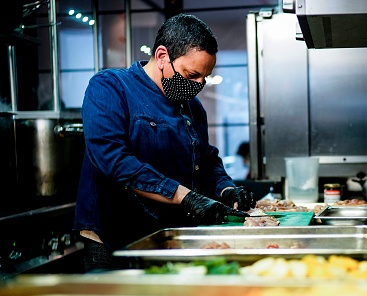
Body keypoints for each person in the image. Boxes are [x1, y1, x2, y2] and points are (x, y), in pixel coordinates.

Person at [73, 13, 256, 272]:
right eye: (191, 74)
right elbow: (112, 159)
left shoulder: (193, 107)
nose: (199, 85)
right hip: (114, 242)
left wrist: (226, 189)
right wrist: (186, 197)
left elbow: (205, 158)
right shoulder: (110, 87)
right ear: (161, 56)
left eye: (203, 78)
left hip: (168, 238)